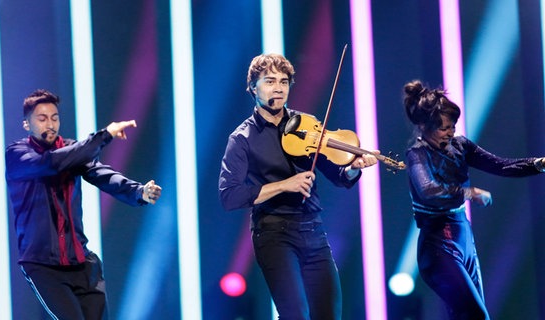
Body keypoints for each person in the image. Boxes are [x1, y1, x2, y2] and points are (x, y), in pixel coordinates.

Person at [218, 53, 378, 319]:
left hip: (313, 231)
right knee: (295, 314)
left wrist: (352, 169)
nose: (278, 87)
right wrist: (284, 185)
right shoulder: (242, 138)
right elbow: (229, 196)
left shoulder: (307, 125)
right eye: (269, 81)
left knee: (329, 314)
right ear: (252, 87)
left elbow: (337, 175)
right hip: (274, 234)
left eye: (284, 81)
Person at [5, 89, 163, 320]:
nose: (50, 124)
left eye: (54, 117)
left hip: (82, 263)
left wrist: (139, 192)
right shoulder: (18, 155)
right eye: (42, 118)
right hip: (43, 266)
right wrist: (105, 135)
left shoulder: (72, 150)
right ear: (27, 124)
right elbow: (51, 163)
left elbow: (102, 174)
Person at [402, 80, 545, 320]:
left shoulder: (460, 145)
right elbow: (429, 190)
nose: (451, 132)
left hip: (463, 239)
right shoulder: (417, 154)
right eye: (444, 128)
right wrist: (467, 192)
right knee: (475, 316)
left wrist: (538, 164)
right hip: (438, 245)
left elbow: (500, 165)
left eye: (453, 127)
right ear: (425, 127)